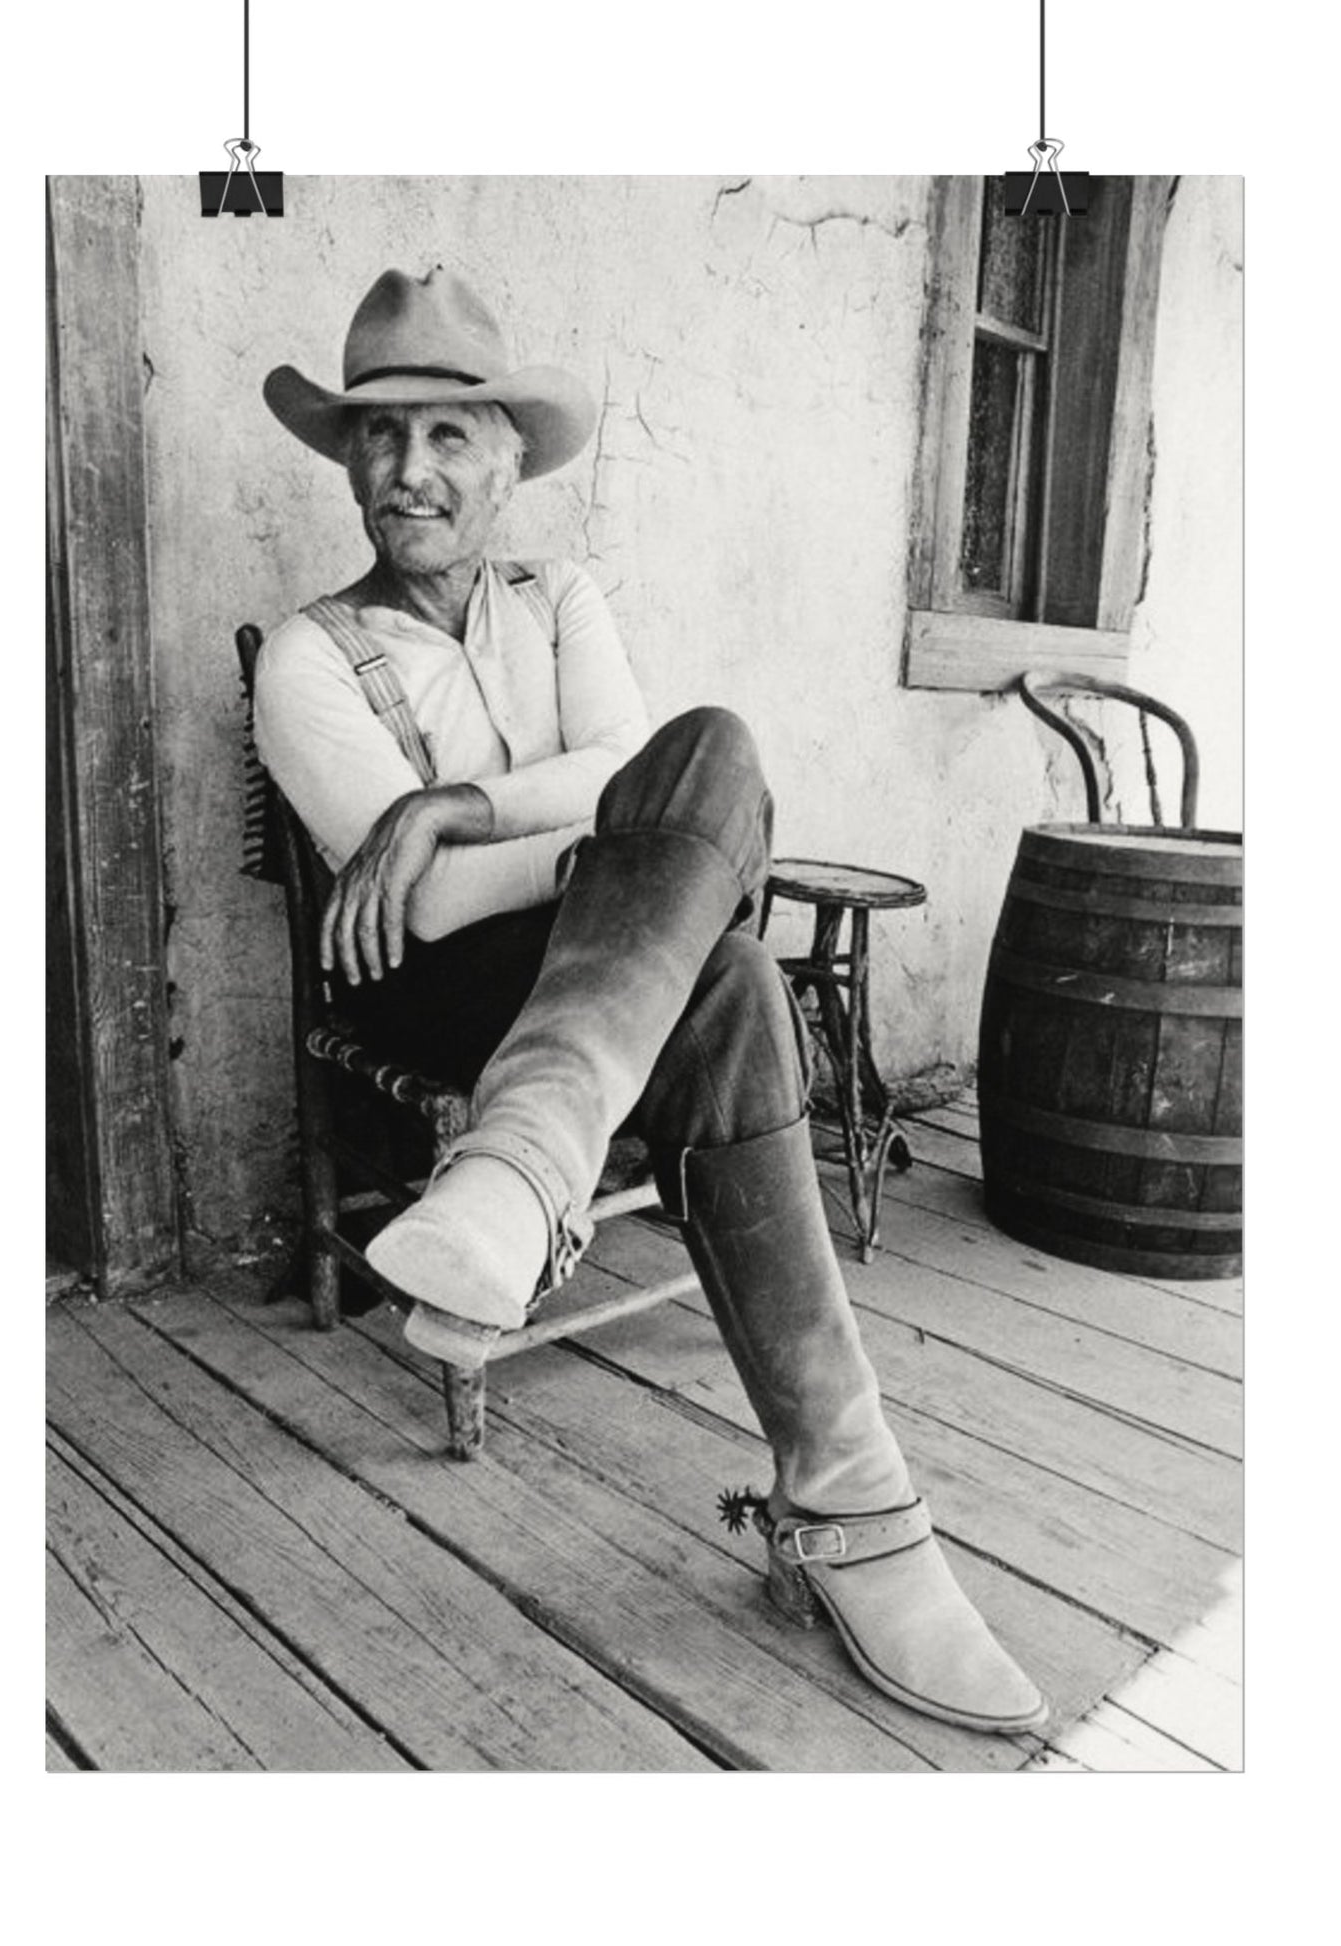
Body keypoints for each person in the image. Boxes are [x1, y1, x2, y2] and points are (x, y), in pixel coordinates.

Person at [254, 267, 1047, 1735]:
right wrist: (603, 848)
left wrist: (450, 806)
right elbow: (423, 912)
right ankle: (850, 1499)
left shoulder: (558, 600)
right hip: (444, 993)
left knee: (711, 755)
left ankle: (523, 1167)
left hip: (592, 980)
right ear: (348, 463)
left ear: (507, 465)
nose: (411, 469)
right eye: (380, 435)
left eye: (447, 436)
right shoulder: (310, 655)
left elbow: (642, 771)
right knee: (719, 957)